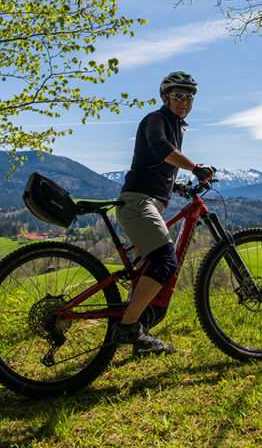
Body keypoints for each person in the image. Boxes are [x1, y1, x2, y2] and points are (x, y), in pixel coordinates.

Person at [111, 71, 215, 355]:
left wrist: (177, 185)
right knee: (165, 261)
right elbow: (159, 149)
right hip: (138, 204)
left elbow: (157, 165)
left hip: (147, 202)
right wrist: (195, 168)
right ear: (164, 97)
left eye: (189, 96)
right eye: (178, 96)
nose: (184, 101)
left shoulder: (175, 125)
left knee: (146, 271)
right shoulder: (155, 120)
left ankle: (139, 333)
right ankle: (128, 326)